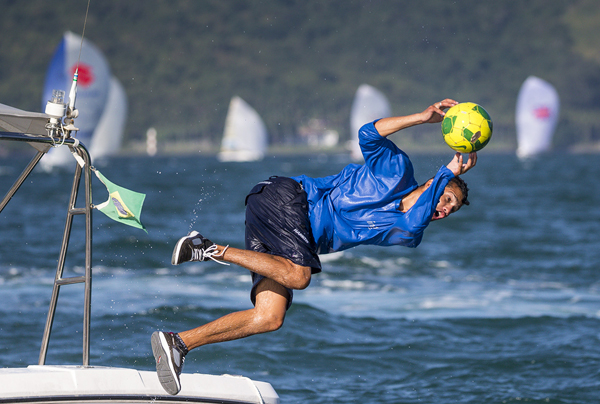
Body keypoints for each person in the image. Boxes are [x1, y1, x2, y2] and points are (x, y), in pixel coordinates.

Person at [151, 98, 477, 395]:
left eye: (453, 209)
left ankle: (178, 343)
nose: (446, 209)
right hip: (287, 197)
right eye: (448, 198)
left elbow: (416, 220)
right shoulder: (396, 171)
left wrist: (443, 179)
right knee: (299, 276)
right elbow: (369, 134)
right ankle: (206, 248)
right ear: (432, 185)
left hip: (282, 231)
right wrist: (421, 118)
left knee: (269, 317)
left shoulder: (406, 230)